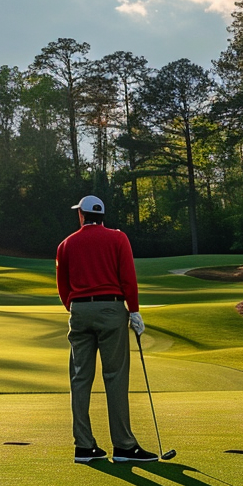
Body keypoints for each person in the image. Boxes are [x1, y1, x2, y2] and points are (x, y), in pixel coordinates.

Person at [56, 195, 157, 464]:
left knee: (80, 379)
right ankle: (124, 447)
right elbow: (128, 278)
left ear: (82, 215)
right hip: (112, 310)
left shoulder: (66, 244)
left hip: (79, 310)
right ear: (102, 216)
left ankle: (84, 447)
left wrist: (76, 307)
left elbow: (62, 286)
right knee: (115, 376)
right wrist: (133, 310)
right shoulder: (118, 238)